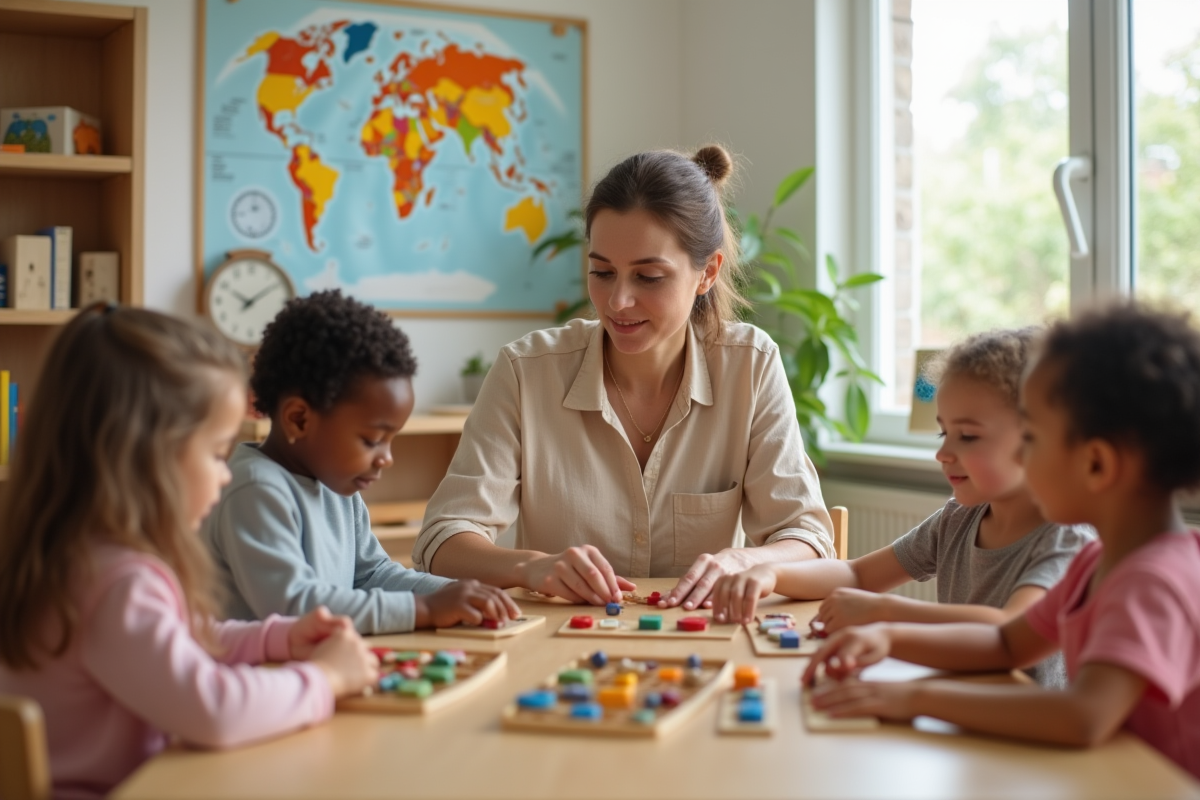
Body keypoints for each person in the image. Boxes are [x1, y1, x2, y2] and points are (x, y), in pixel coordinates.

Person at [414, 145, 835, 611]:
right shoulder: (524, 372)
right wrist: (528, 566)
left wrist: (744, 561)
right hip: (559, 649)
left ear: (707, 273)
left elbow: (809, 538)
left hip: (703, 649)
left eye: (648, 276)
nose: (617, 301)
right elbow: (442, 539)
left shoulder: (750, 365)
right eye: (602, 272)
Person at [803, 304, 1200, 780]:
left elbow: (1083, 717)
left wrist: (916, 697)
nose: (1020, 457)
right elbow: (1006, 643)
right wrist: (887, 638)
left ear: (1096, 464)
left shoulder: (1153, 580)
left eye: (1030, 439)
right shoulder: (1101, 559)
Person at [0, 304, 378, 799]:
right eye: (218, 453)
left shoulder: (75, 557)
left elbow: (183, 641)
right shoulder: (119, 584)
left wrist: (277, 639)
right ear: (147, 454)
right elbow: (215, 711)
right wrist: (325, 678)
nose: (226, 474)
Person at [712, 328, 1093, 685]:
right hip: (962, 710)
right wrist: (771, 574)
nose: (943, 453)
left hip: (1030, 737)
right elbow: (857, 574)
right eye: (945, 432)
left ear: (1042, 438)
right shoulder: (958, 518)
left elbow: (1010, 627)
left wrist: (885, 612)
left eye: (969, 436)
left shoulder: (1067, 539)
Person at [204, 290, 521, 634]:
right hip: (257, 678)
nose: (386, 458)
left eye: (391, 439)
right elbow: (294, 605)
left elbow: (372, 575)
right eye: (371, 440)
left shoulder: (337, 483)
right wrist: (425, 608)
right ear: (298, 419)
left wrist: (456, 592)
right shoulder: (253, 488)